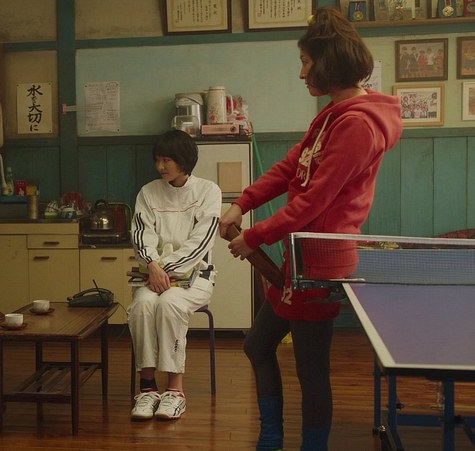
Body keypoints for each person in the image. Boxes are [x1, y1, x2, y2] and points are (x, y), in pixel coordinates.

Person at [218, 8, 403, 450]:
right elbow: (291, 167)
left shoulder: (358, 124)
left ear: (328, 63)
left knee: (311, 370)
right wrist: (241, 203)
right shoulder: (332, 113)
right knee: (259, 346)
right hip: (298, 258)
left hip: (320, 265)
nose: (302, 73)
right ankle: (271, 438)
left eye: (306, 62)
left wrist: (253, 236)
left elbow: (314, 201)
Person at [128, 129, 221, 421]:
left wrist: (162, 269)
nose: (160, 166)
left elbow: (200, 243)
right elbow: (141, 234)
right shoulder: (148, 192)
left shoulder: (208, 191)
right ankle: (147, 388)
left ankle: (175, 391)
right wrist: (152, 266)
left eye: (167, 160)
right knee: (142, 305)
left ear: (184, 160)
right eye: (157, 160)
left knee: (169, 304)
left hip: (196, 278)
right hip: (152, 275)